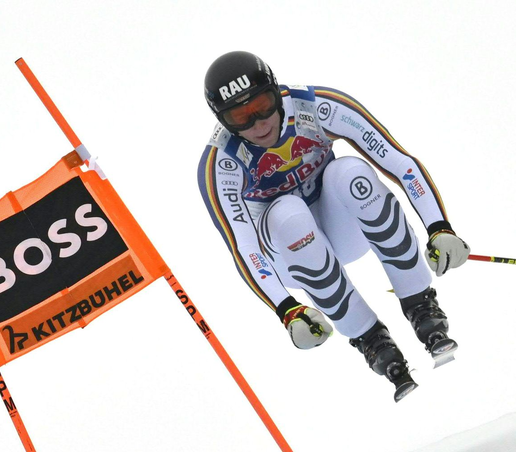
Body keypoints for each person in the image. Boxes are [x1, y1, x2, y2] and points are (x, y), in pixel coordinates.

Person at [197, 51, 469, 401]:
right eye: (241, 117)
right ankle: (371, 340)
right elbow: (244, 247)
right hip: (291, 253)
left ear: (276, 91)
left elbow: (400, 163)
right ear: (223, 121)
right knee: (288, 212)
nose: (259, 124)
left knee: (350, 171)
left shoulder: (316, 106)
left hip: (345, 229)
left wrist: (439, 227)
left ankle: (421, 305)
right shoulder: (222, 162)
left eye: (263, 106)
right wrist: (286, 308)